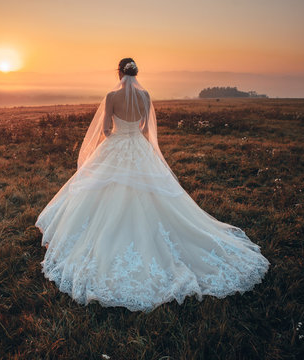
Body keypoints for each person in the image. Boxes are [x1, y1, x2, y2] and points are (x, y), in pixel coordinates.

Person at [35, 58, 270, 313]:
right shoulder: (145, 95)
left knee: (100, 190)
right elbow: (146, 129)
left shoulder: (112, 96)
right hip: (139, 146)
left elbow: (104, 130)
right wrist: (133, 136)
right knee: (155, 194)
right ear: (136, 74)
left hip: (117, 146)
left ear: (119, 73)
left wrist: (117, 139)